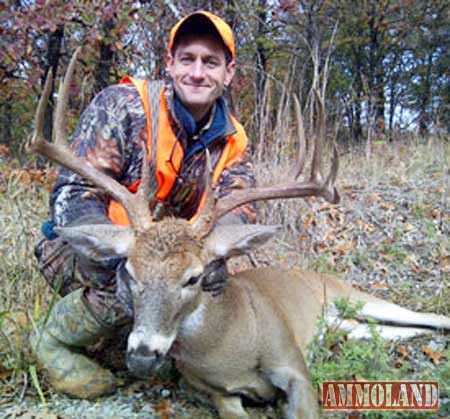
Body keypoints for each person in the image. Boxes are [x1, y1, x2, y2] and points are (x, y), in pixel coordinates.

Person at [31, 10, 257, 399]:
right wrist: (129, 259)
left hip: (176, 258)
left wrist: (212, 254)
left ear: (228, 73)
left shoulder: (232, 141)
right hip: (94, 251)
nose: (197, 72)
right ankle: (50, 341)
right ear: (169, 63)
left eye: (211, 62)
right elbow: (72, 196)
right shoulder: (123, 106)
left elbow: (241, 209)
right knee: (137, 288)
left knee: (212, 288)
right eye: (187, 59)